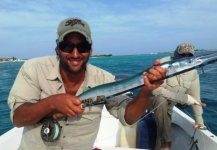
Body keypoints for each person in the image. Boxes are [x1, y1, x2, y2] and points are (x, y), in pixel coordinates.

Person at [7, 17, 166, 150]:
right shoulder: (33, 69)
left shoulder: (105, 79)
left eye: (82, 47)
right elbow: (18, 119)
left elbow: (129, 118)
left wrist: (146, 90)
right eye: (67, 46)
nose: (75, 54)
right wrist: (51, 103)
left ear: (90, 50)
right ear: (57, 49)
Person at [149, 43, 205, 150]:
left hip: (169, 107)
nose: (186, 59)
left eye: (189, 57)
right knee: (160, 99)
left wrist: (199, 120)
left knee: (165, 115)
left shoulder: (193, 72)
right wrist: (184, 99)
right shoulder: (162, 65)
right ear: (175, 56)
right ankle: (166, 143)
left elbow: (195, 97)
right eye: (182, 56)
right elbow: (156, 91)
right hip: (152, 102)